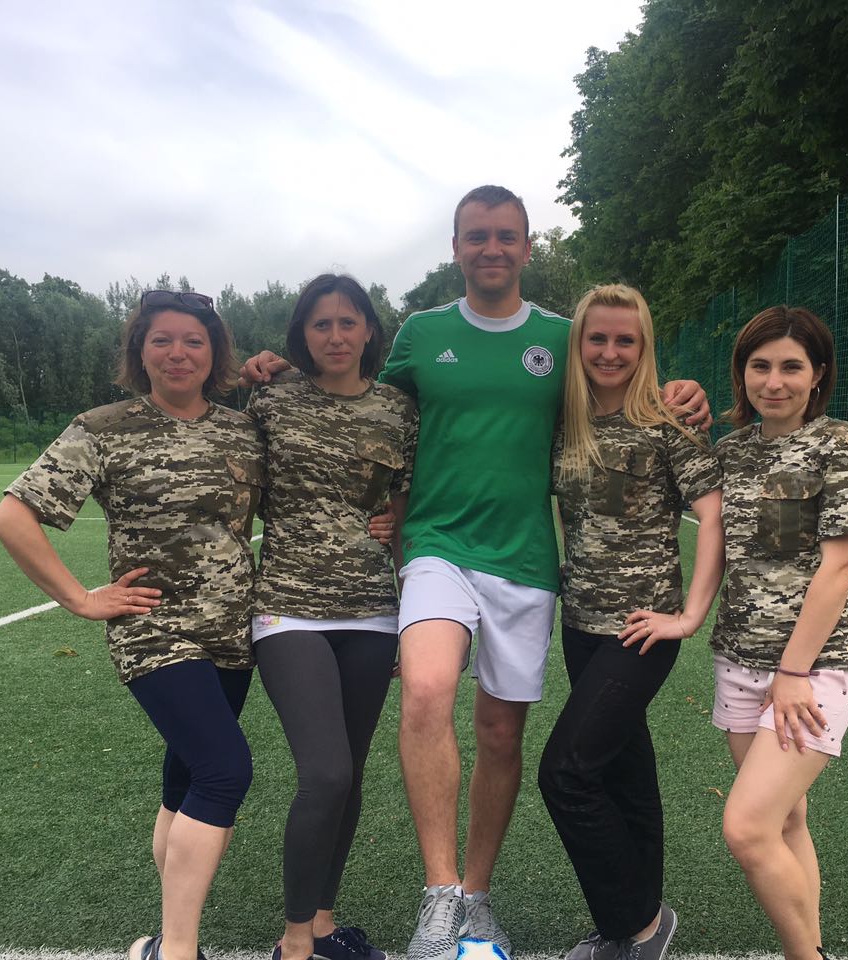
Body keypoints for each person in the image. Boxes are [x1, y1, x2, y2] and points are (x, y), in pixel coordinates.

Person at [241, 185, 709, 960]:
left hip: (526, 561)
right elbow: (358, 392)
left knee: (499, 731)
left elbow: (620, 374)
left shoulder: (563, 337)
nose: (491, 248)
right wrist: (284, 365)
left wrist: (679, 390)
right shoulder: (423, 333)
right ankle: (439, 895)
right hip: (437, 546)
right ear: (456, 248)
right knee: (426, 689)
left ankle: (478, 897)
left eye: (505, 235)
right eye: (476, 236)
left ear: (527, 246)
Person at [0, 290, 264, 960]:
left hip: (234, 634)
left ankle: (159, 940)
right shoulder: (103, 428)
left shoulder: (242, 430)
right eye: (161, 339)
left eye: (193, 340)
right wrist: (80, 599)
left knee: (187, 781)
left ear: (215, 352)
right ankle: (178, 950)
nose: (178, 353)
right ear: (140, 351)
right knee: (225, 771)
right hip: (155, 631)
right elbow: (12, 517)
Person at [538, 285, 723, 960]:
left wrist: (689, 616)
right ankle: (641, 924)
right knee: (623, 770)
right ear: (578, 343)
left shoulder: (668, 422)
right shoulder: (562, 421)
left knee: (565, 773)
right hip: (580, 625)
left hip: (641, 630)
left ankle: (635, 924)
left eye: (626, 340)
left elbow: (714, 516)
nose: (610, 352)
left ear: (644, 346)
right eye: (598, 338)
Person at [248, 274, 417, 960]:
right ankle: (294, 944)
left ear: (370, 330)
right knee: (325, 774)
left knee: (349, 775)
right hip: (288, 607)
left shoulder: (398, 410)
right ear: (302, 333)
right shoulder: (269, 399)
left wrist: (395, 534)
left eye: (349, 322)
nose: (337, 336)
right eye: (322, 324)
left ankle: (322, 924)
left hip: (371, 611)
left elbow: (407, 503)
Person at [710, 306, 848, 960]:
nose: (773, 381)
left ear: (818, 374)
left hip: (812, 668)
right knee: (784, 820)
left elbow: (841, 566)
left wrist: (793, 672)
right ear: (742, 373)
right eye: (760, 366)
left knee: (747, 828)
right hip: (738, 659)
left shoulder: (841, 444)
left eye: (791, 367)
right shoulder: (730, 452)